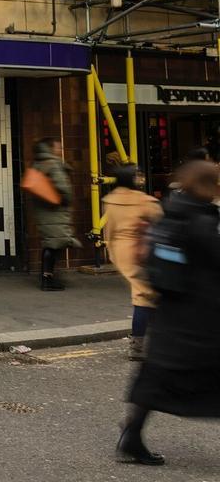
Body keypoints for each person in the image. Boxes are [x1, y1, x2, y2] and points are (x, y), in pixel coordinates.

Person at [117, 159, 220, 465]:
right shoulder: (202, 222)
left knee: (157, 377)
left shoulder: (171, 213)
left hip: (171, 314)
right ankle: (131, 437)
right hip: (202, 317)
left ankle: (131, 436)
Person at [103, 165, 163, 361]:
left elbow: (109, 232)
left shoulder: (109, 201)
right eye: (138, 176)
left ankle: (146, 343)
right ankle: (139, 346)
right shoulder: (144, 201)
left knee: (146, 295)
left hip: (120, 251)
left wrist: (112, 253)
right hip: (141, 250)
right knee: (145, 297)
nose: (141, 179)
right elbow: (161, 223)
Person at [28, 137, 80, 291]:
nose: (60, 151)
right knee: (54, 243)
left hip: (43, 209)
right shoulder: (54, 163)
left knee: (51, 242)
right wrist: (69, 199)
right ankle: (47, 279)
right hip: (55, 210)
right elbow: (63, 188)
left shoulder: (38, 163)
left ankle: (47, 276)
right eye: (58, 148)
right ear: (50, 148)